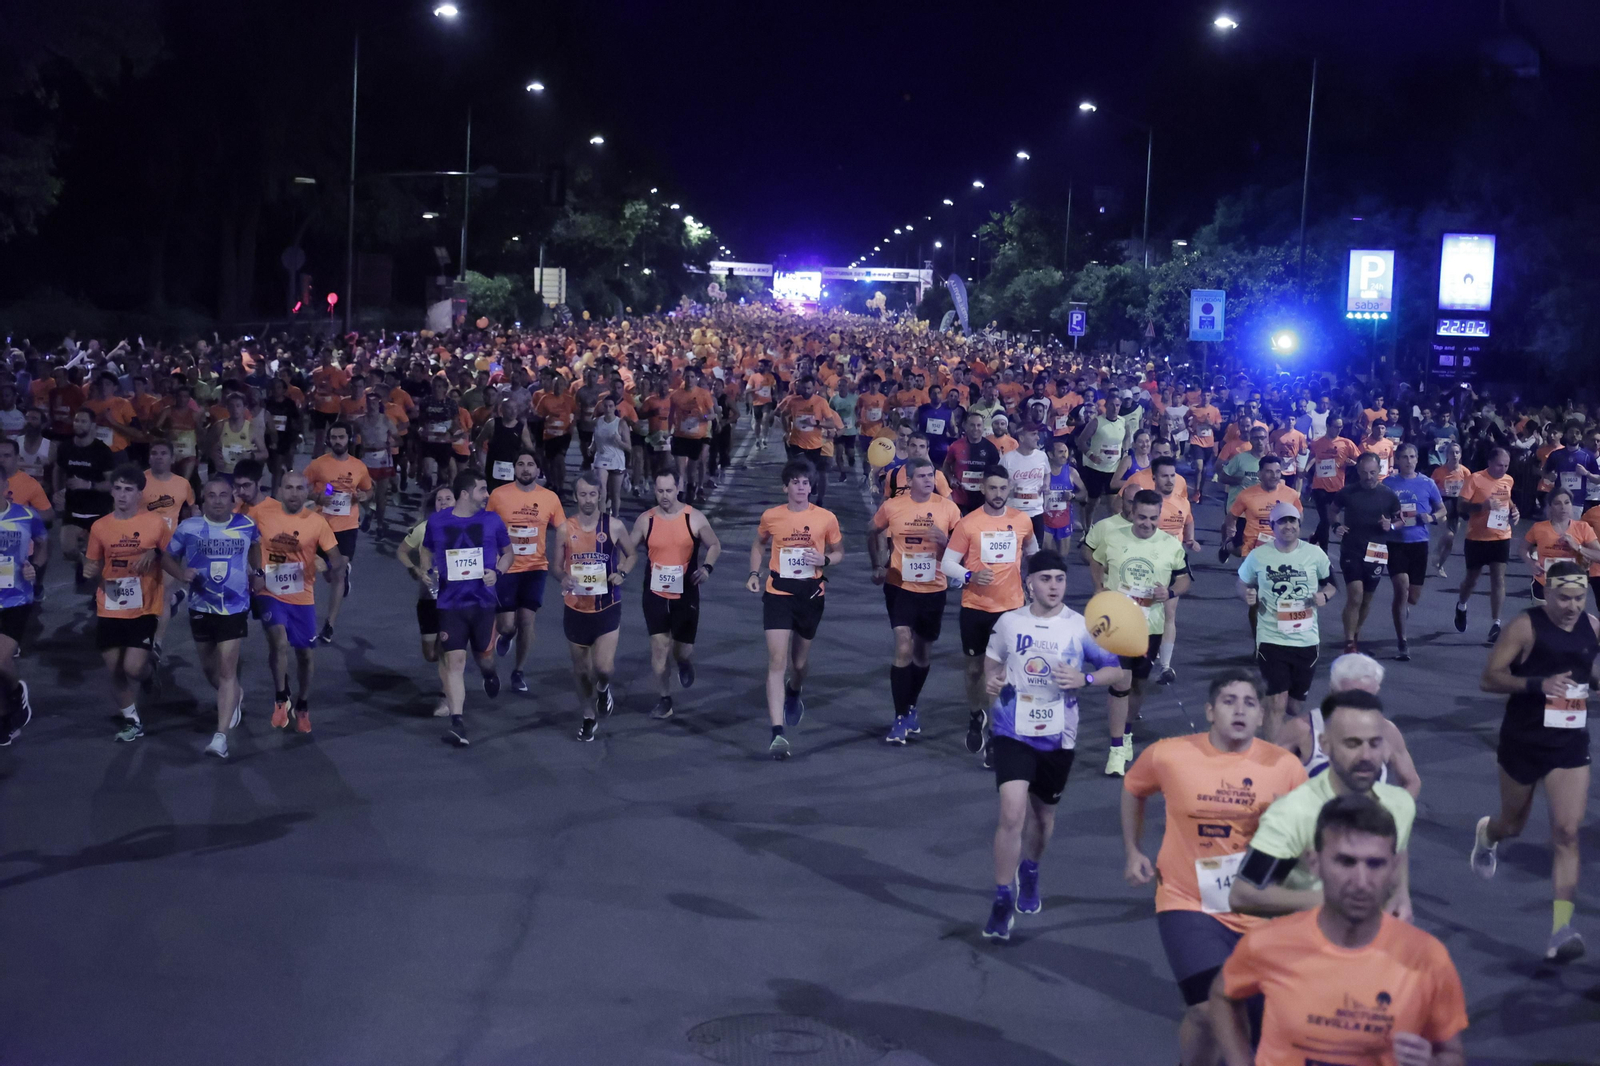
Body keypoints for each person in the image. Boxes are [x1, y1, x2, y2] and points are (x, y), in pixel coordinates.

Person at [1122, 670, 1308, 1066]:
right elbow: (1134, 788)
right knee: (1209, 1010)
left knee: (1251, 1022)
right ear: (1209, 711)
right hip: (1187, 902)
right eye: (1228, 701)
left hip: (1259, 910)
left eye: (1249, 703)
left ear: (1262, 717)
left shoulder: (1286, 769)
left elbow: (1304, 839)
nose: (1239, 710)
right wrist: (1133, 849)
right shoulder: (1169, 754)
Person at [1210, 794, 1468, 1066]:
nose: (1360, 881)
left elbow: (1451, 1055)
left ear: (1393, 868)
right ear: (1315, 863)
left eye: (1375, 864)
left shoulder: (1427, 958)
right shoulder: (1267, 944)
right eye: (1346, 862)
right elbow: (1223, 997)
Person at [979, 549, 1129, 940]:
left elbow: (1115, 670)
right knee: (1011, 814)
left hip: (1058, 734)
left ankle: (1030, 870)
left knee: (1042, 819)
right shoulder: (1009, 622)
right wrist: (992, 684)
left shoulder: (1081, 627)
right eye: (1045, 579)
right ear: (1029, 582)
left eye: (1059, 579)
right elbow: (991, 666)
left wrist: (1086, 680)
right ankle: (1000, 897)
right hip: (1012, 729)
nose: (1053, 586)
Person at [1474, 561, 1597, 962]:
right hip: (1523, 739)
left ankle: (1562, 928)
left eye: (1578, 597)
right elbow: (1489, 678)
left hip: (1569, 743)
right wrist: (1536, 685)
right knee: (1513, 824)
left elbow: (1590, 668)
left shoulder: (1593, 626)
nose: (1572, 605)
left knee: (1566, 832)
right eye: (1564, 597)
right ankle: (1488, 835)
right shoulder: (1525, 627)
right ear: (1546, 593)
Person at [1229, 689, 1414, 922]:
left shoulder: (1399, 804)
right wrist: (1330, 900)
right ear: (1325, 745)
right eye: (1353, 744)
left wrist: (1401, 893)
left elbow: (1399, 851)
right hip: (1303, 947)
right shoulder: (1294, 811)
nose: (1366, 755)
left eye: (1375, 744)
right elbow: (1243, 895)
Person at [746, 459, 844, 759]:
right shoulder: (771, 516)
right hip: (778, 592)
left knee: (799, 665)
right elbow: (758, 544)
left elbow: (839, 551)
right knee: (777, 660)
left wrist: (825, 561)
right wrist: (754, 573)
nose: (801, 487)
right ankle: (777, 733)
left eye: (806, 482)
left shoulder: (826, 518)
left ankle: (795, 690)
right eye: (796, 482)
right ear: (785, 487)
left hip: (810, 594)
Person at [943, 465, 1040, 763]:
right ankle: (976, 715)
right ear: (983, 489)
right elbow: (947, 564)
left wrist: (1033, 579)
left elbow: (1034, 553)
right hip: (975, 609)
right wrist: (970, 575)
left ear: (1009, 489)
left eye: (1002, 488)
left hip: (1011, 610)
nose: (998, 494)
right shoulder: (968, 524)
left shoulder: (1022, 521)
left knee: (1003, 675)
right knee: (974, 671)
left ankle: (999, 736)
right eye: (992, 488)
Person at [1091, 490, 1191, 775]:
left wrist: (1169, 591)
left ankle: (1128, 730)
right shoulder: (1114, 537)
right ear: (1132, 513)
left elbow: (1184, 579)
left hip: (1151, 625)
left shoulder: (1170, 545)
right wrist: (1099, 587)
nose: (1147, 523)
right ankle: (1115, 748)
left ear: (1159, 515)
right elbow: (1096, 560)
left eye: (1152, 518)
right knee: (1120, 682)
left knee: (1137, 685)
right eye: (1141, 517)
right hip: (1117, 622)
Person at [164, 478, 260, 759]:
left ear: (233, 498)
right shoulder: (189, 528)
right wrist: (181, 575)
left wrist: (259, 573)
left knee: (227, 671)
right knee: (210, 670)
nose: (218, 500)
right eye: (211, 495)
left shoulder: (246, 524)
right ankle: (234, 698)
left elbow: (256, 547)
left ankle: (220, 737)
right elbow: (168, 557)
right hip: (200, 605)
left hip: (233, 607)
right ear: (203, 499)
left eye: (223, 495)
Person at [868, 456, 962, 742]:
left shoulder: (948, 508)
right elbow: (871, 531)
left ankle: (911, 705)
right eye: (921, 476)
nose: (928, 480)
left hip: (934, 588)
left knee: (922, 653)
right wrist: (878, 564)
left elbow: (965, 547)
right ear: (908, 481)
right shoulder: (893, 506)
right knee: (903, 645)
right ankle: (899, 717)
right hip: (900, 585)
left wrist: (946, 542)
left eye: (930, 476)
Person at [420, 469, 511, 747]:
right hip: (450, 604)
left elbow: (509, 553)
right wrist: (426, 569)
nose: (487, 495)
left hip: (483, 603)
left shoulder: (493, 521)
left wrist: (498, 572)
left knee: (484, 658)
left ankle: (489, 673)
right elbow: (425, 549)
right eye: (482, 490)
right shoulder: (436, 522)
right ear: (465, 494)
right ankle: (457, 722)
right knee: (455, 663)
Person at [252, 471, 344, 733]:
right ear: (280, 490)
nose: (294, 493)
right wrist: (256, 572)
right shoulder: (261, 515)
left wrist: (325, 565)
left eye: (299, 489)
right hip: (270, 591)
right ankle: (281, 697)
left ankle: (302, 703)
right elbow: (247, 543)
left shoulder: (317, 522)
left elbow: (336, 559)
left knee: (305, 655)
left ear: (307, 493)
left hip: (302, 595)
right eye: (288, 488)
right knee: (278, 642)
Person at [1237, 501, 1336, 738]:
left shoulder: (1315, 554)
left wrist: (1324, 596)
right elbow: (1242, 582)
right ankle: (1273, 760)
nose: (1288, 526)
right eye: (1282, 521)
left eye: (1293, 521)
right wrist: (1247, 594)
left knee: (1293, 706)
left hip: (1306, 640)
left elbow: (1331, 584)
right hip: (1271, 637)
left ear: (1300, 525)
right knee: (1277, 704)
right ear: (1273, 526)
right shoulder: (1259, 555)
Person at [83, 466, 168, 742]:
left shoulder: (155, 524)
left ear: (139, 494)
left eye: (128, 490)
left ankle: (148, 672)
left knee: (133, 668)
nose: (122, 494)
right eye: (118, 488)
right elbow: (93, 566)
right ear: (112, 491)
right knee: (114, 670)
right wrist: (88, 571)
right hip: (110, 603)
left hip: (144, 605)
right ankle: (132, 720)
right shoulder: (100, 526)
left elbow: (170, 554)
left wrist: (155, 552)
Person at [632, 467, 721, 721]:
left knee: (681, 650)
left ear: (678, 487)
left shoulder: (693, 518)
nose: (664, 496)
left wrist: (706, 568)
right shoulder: (645, 520)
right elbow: (628, 548)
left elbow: (714, 544)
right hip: (655, 594)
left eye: (669, 490)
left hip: (686, 594)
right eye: (659, 490)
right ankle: (664, 699)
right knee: (659, 649)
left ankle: (683, 662)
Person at [553, 470, 636, 741]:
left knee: (603, 668)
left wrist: (621, 573)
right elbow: (555, 566)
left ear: (600, 495)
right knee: (580, 670)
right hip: (576, 607)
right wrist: (563, 577)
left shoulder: (613, 526)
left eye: (593, 494)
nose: (588, 500)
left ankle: (604, 688)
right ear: (576, 496)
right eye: (583, 494)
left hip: (607, 604)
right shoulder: (565, 528)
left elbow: (632, 553)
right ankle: (588, 717)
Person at [487, 450, 566, 694]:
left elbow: (563, 529)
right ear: (514, 468)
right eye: (520, 464)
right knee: (507, 625)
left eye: (530, 464)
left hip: (535, 568)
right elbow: (487, 527)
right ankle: (506, 636)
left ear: (538, 470)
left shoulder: (550, 498)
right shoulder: (499, 495)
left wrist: (565, 560)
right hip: (506, 567)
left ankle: (518, 671)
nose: (525, 468)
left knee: (527, 620)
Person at [304, 423, 373, 645]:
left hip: (347, 526)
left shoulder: (359, 466)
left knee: (338, 572)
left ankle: (329, 625)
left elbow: (368, 489)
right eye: (334, 437)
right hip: (321, 524)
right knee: (326, 572)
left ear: (349, 439)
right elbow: (301, 486)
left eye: (341, 437)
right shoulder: (318, 465)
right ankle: (340, 576)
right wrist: (317, 498)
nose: (337, 441)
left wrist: (364, 497)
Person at [1328, 452, 1402, 655]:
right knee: (1355, 595)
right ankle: (1349, 642)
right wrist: (1336, 526)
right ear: (1358, 472)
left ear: (1379, 471)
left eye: (1372, 472)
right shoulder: (1347, 492)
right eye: (1364, 473)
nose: (1368, 477)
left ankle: (1355, 634)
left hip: (1377, 552)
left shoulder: (1388, 495)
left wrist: (1391, 526)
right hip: (1352, 549)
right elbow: (1332, 511)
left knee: (1367, 599)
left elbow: (1400, 520)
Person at [1384, 442, 1447, 661]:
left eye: (1412, 457)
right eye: (1404, 457)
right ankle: (1403, 641)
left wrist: (1430, 517)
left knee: (1413, 596)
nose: (1408, 461)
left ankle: (1404, 609)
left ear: (1417, 459)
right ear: (1397, 460)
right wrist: (1386, 521)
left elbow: (1442, 510)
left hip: (1419, 543)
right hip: (1396, 543)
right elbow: (1379, 510)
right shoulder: (1388, 484)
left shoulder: (1427, 483)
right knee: (1401, 589)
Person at [397, 485, 456, 718]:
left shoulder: (466, 527)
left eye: (448, 499)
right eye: (439, 499)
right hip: (428, 596)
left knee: (447, 647)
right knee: (430, 653)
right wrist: (413, 569)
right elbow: (401, 551)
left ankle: (446, 697)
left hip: (454, 598)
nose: (443, 503)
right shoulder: (423, 528)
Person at [0, 466, 47, 746]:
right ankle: (6, 720)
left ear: (6, 486)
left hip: (16, 598)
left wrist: (36, 567)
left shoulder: (26, 515)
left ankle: (18, 691)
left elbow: (42, 542)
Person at [1454, 447, 1518, 644]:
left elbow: (1508, 501)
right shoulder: (1475, 479)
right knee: (1471, 579)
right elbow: (1461, 506)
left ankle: (1496, 623)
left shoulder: (1508, 480)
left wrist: (1515, 511)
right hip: (1477, 537)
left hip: (1501, 535)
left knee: (1498, 578)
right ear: (1490, 462)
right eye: (1500, 465)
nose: (1503, 469)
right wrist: (1481, 506)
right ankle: (1462, 605)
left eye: (1506, 465)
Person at [55, 408, 115, 586]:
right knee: (68, 550)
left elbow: (111, 484)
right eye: (76, 421)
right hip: (73, 509)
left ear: (93, 426)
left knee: (97, 558)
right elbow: (59, 469)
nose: (78, 425)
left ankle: (101, 598)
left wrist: (88, 485)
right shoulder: (66, 447)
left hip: (97, 510)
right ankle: (83, 562)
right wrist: (58, 491)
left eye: (83, 421)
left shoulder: (102, 451)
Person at [1521, 488, 1600, 604]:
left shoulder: (1583, 528)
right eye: (1557, 503)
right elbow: (1523, 548)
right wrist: (1531, 563)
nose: (1563, 507)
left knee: (1568, 621)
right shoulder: (1538, 528)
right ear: (1550, 507)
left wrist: (1578, 547)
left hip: (1573, 585)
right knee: (1542, 621)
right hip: (1544, 584)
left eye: (1567, 502)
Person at [1306, 414, 1360, 549]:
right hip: (1319, 486)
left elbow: (1360, 459)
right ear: (1328, 426)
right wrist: (1305, 469)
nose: (1339, 429)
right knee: (1325, 520)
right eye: (1336, 427)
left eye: (1341, 427)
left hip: (1337, 487)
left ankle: (1314, 539)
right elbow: (1312, 456)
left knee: (1328, 519)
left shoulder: (1346, 443)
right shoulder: (1317, 443)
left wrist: (1352, 463)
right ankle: (1324, 554)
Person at [1077, 390, 1127, 528]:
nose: (1115, 408)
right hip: (1096, 469)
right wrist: (1091, 455)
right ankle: (1087, 527)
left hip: (1113, 469)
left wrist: (1126, 452)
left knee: (1114, 505)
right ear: (1106, 405)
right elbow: (1081, 441)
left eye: (1117, 405)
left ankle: (1113, 531)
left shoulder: (1123, 422)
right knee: (1093, 503)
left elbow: (1127, 438)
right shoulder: (1097, 422)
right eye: (1111, 405)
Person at [1001, 422, 1051, 544]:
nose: (1038, 438)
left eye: (1037, 434)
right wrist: (1008, 488)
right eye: (1033, 434)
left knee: (1036, 549)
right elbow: (997, 481)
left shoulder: (1042, 456)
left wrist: (1046, 485)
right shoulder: (1007, 459)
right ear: (1022, 438)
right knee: (1014, 548)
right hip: (1014, 512)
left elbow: (1047, 473)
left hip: (1036, 511)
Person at [944, 410, 1002, 514]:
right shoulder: (956, 446)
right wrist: (950, 477)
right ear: (965, 426)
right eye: (972, 425)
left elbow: (996, 473)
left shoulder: (991, 448)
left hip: (982, 499)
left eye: (979, 425)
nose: (976, 428)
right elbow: (946, 465)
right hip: (960, 499)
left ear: (983, 427)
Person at [1039, 438, 1085, 553]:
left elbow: (1085, 494)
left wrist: (1072, 496)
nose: (1064, 455)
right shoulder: (1041, 473)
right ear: (1050, 454)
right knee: (1047, 557)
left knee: (1062, 558)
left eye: (1066, 451)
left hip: (1064, 521)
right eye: (1060, 452)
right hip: (1045, 520)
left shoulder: (1071, 472)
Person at [1431, 440, 1468, 577]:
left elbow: (1470, 488)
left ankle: (1440, 565)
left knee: (1451, 541)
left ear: (1460, 455)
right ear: (1447, 455)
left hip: (1458, 503)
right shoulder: (1439, 471)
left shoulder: (1465, 472)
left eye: (1457, 452)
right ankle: (1437, 550)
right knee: (1448, 534)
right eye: (1452, 452)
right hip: (1443, 502)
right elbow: (1431, 488)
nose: (1454, 455)